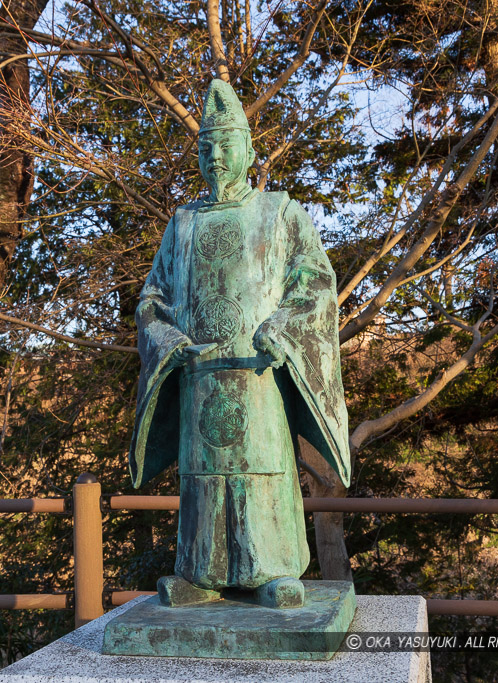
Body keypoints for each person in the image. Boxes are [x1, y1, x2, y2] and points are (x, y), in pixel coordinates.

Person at [129, 79, 351, 609]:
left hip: (258, 374)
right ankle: (199, 571)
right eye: (207, 148)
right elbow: (151, 300)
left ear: (251, 151)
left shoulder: (279, 213)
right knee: (203, 477)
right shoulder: (181, 225)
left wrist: (283, 328)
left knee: (262, 470)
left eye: (227, 145)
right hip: (199, 376)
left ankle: (274, 569)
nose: (217, 156)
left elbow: (315, 284)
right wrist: (170, 339)